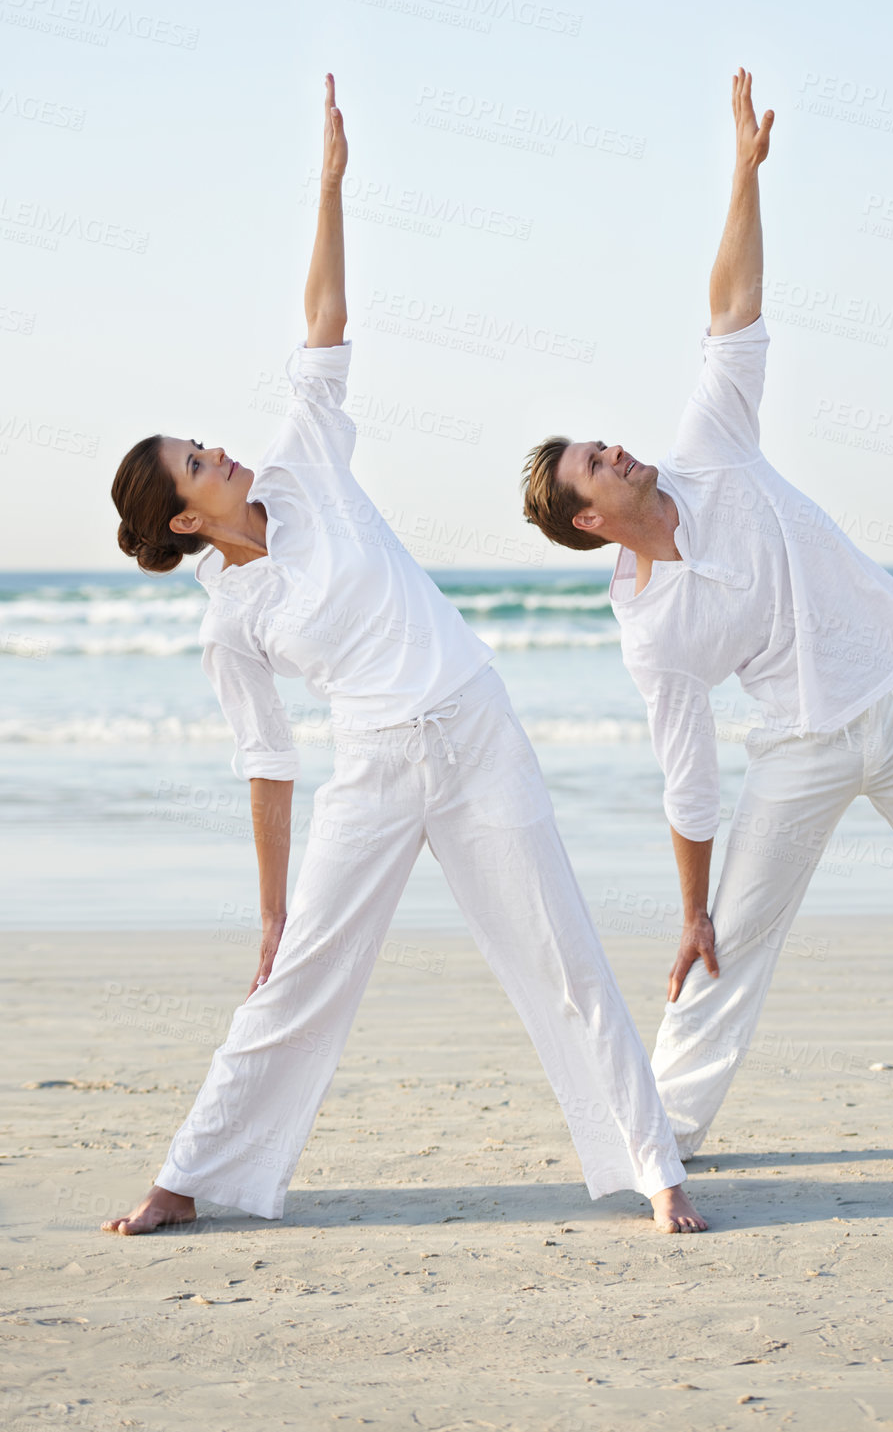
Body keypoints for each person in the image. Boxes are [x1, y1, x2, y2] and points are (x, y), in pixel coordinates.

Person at [103, 76, 706, 1235]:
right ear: (184, 519)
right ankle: (189, 1176)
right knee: (293, 984)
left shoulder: (305, 461)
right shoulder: (229, 622)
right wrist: (273, 908)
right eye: (197, 462)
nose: (220, 452)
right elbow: (265, 760)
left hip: (476, 729)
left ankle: (654, 1166)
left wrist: (330, 187)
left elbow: (321, 330)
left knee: (565, 953)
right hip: (374, 768)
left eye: (206, 443)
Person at [520, 69, 893, 1177]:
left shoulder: (709, 445)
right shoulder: (650, 629)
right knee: (730, 941)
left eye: (604, 440)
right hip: (802, 745)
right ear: (590, 518)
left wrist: (742, 175)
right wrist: (688, 907)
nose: (618, 447)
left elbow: (731, 313)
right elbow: (686, 775)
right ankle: (664, 1131)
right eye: (597, 462)